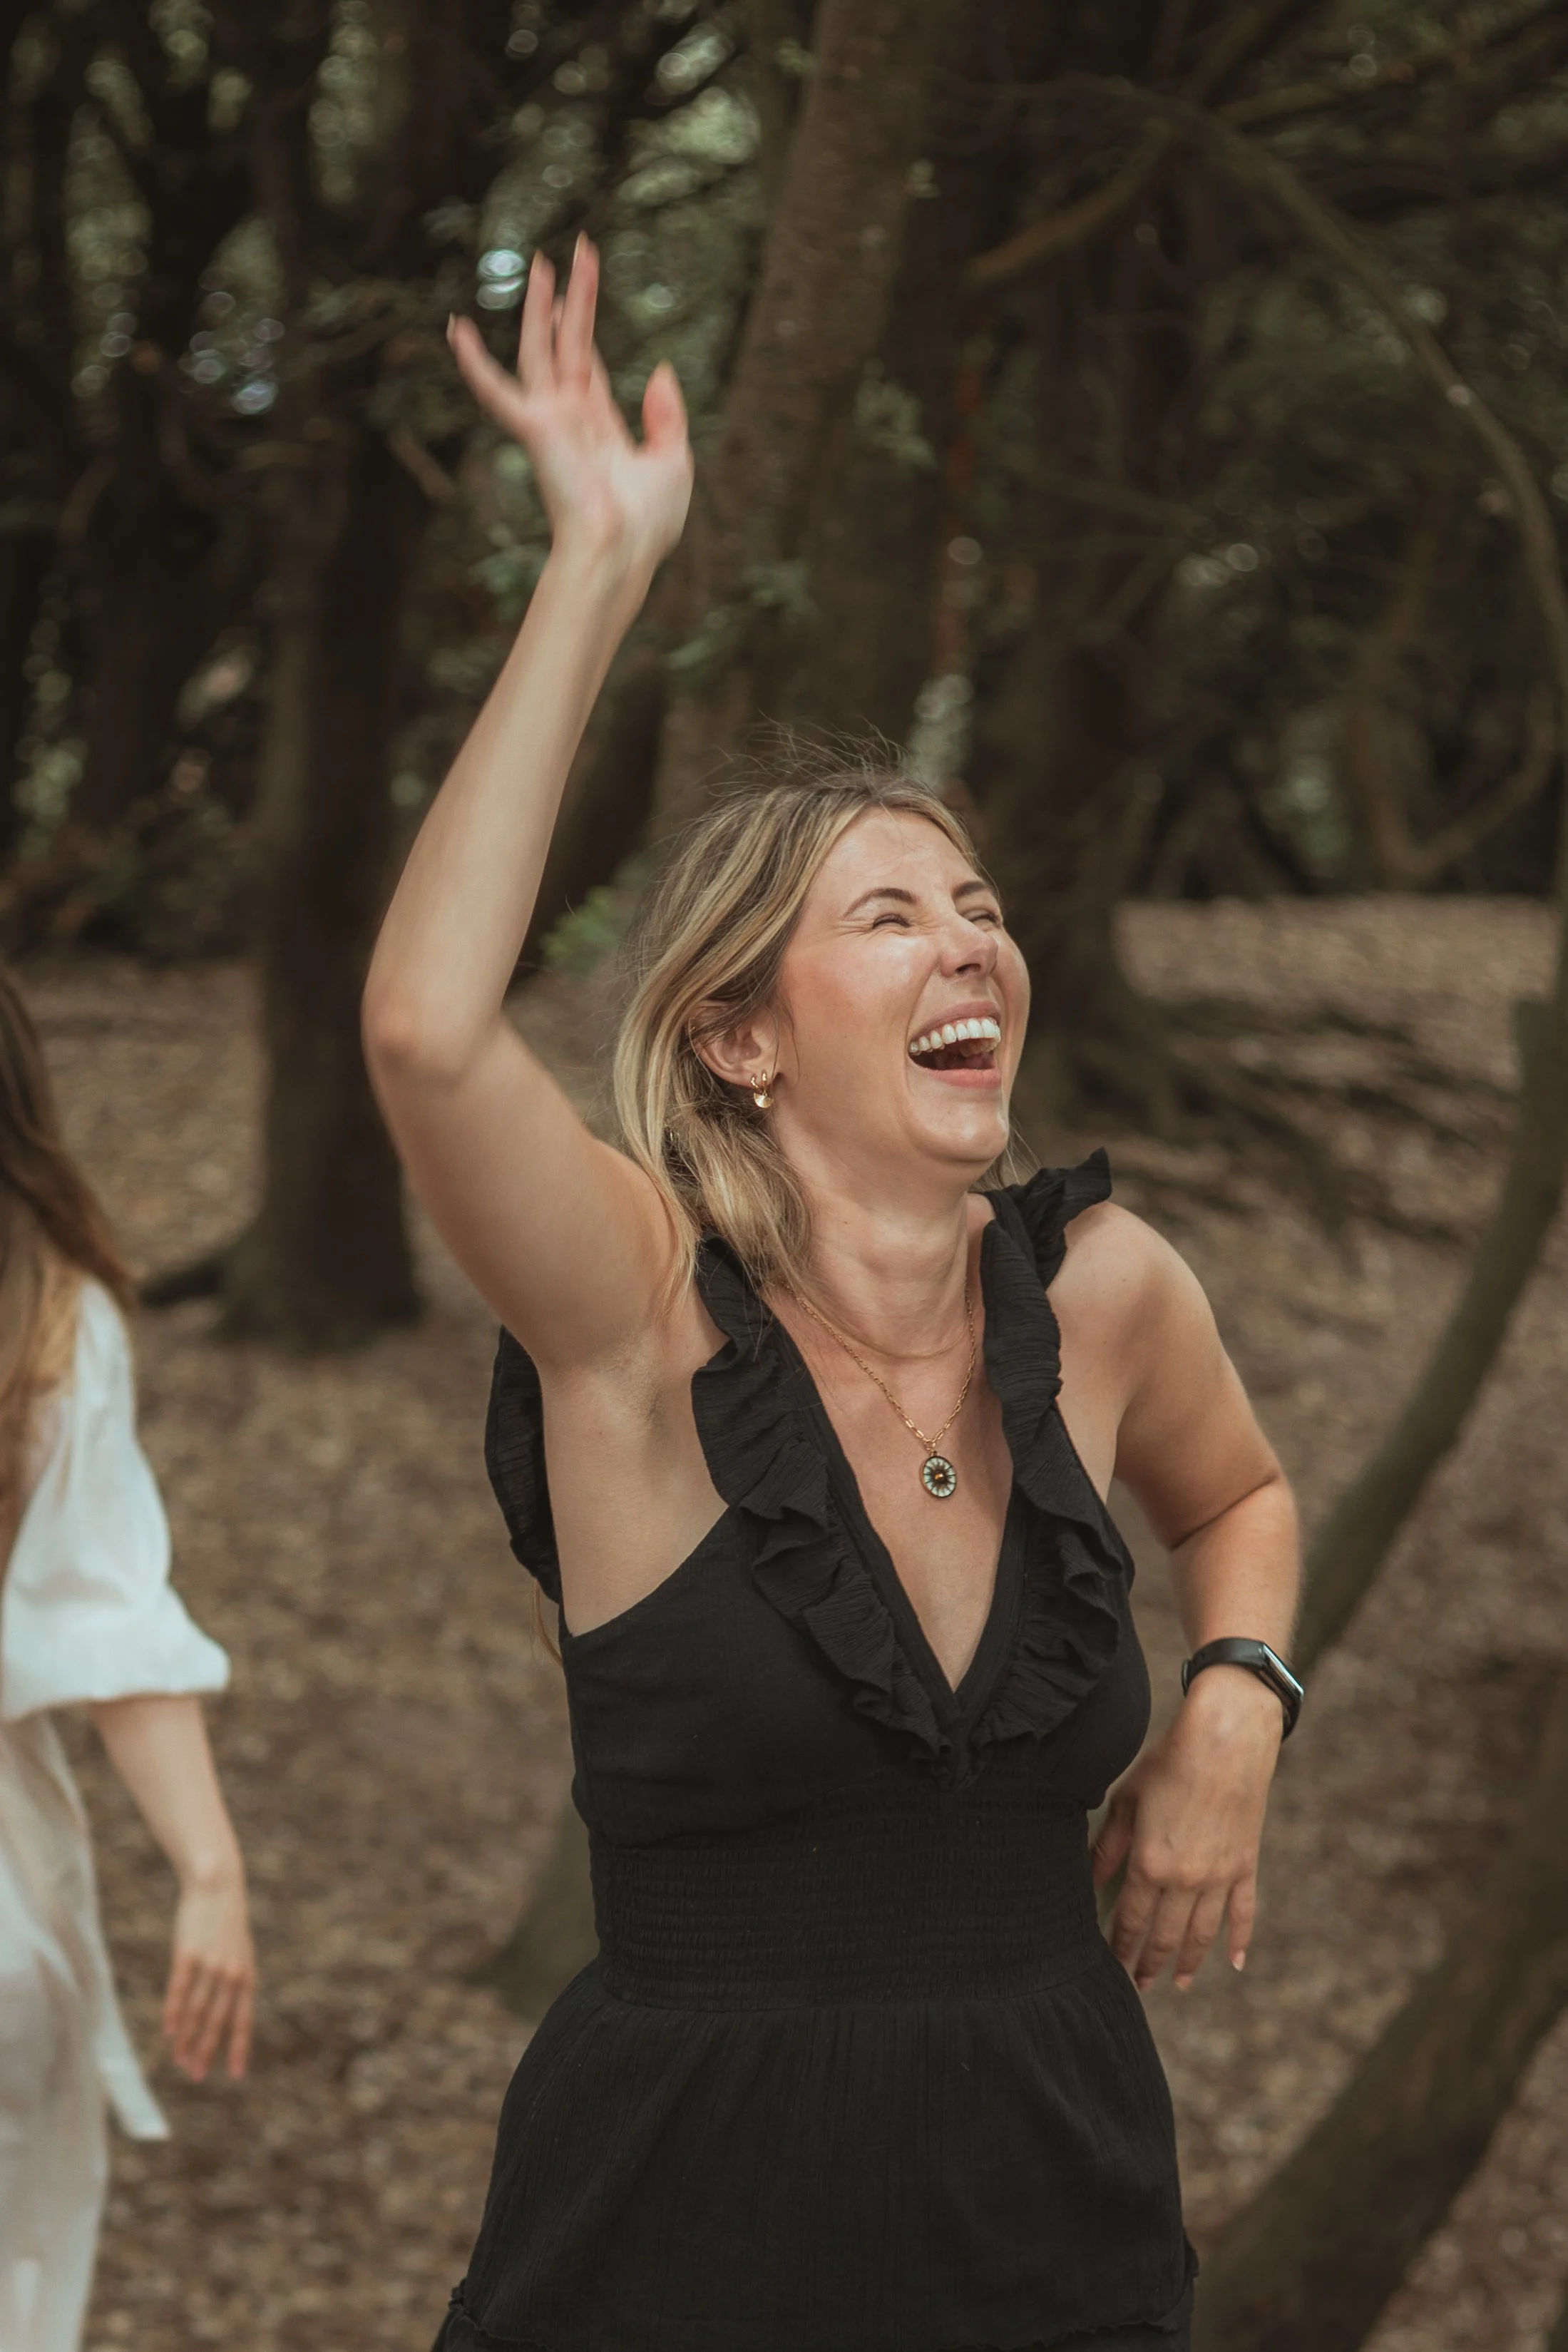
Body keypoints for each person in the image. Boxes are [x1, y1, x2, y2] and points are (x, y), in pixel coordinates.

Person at [364, 239, 1300, 2352]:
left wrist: (1237, 1695)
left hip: (1054, 2219)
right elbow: (426, 1035)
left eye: (976, 903)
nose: (966, 938)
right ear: (740, 1038)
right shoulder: (629, 1319)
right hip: (677, 2246)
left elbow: (1237, 1496)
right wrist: (595, 563)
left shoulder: (1110, 1290)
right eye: (887, 914)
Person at [0, 971, 255, 2352]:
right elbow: (100, 1614)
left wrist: (214, 1869)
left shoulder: (43, 1316)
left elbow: (104, 1616)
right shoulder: (43, 1309)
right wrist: (207, 1868)